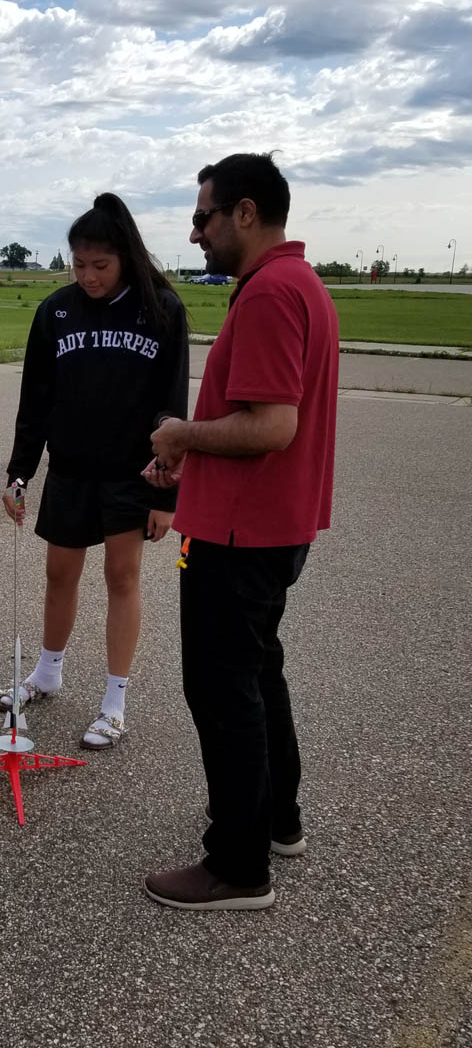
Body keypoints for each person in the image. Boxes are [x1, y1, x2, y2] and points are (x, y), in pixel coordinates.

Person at [141, 153, 339, 911]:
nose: (195, 234)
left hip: (238, 535)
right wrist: (191, 465)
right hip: (270, 521)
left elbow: (270, 425)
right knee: (258, 673)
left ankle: (237, 865)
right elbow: (265, 427)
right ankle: (275, 818)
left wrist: (183, 435)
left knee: (223, 690)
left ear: (245, 213)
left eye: (203, 217)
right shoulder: (301, 285)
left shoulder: (267, 294)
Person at [0, 193, 189, 748]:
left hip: (133, 475)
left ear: (125, 257)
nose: (87, 276)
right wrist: (19, 473)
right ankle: (48, 672)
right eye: (78, 265)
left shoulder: (161, 310)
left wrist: (166, 495)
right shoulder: (55, 312)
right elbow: (35, 401)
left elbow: (171, 404)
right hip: (71, 469)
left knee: (122, 578)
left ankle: (114, 699)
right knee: (59, 573)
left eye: (100, 266)